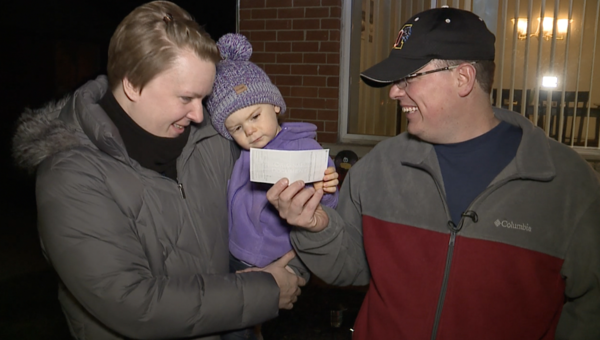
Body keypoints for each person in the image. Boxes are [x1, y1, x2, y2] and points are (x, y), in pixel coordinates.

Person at [265, 6, 600, 340]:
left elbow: (589, 308)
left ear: (463, 78)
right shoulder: (379, 167)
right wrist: (314, 228)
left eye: (408, 78)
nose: (394, 91)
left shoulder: (567, 184)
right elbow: (351, 267)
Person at [11, 2, 305, 340]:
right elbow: (134, 303)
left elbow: (262, 221)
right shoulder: (69, 176)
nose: (199, 114)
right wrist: (262, 293)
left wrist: (297, 245)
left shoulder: (210, 138)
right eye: (186, 98)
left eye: (204, 98)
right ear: (133, 84)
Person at [205, 33, 339, 340]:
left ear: (275, 106)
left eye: (255, 116)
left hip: (283, 258)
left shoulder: (303, 148)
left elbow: (326, 212)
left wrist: (325, 189)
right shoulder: (243, 155)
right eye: (237, 127)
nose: (250, 131)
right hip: (238, 255)